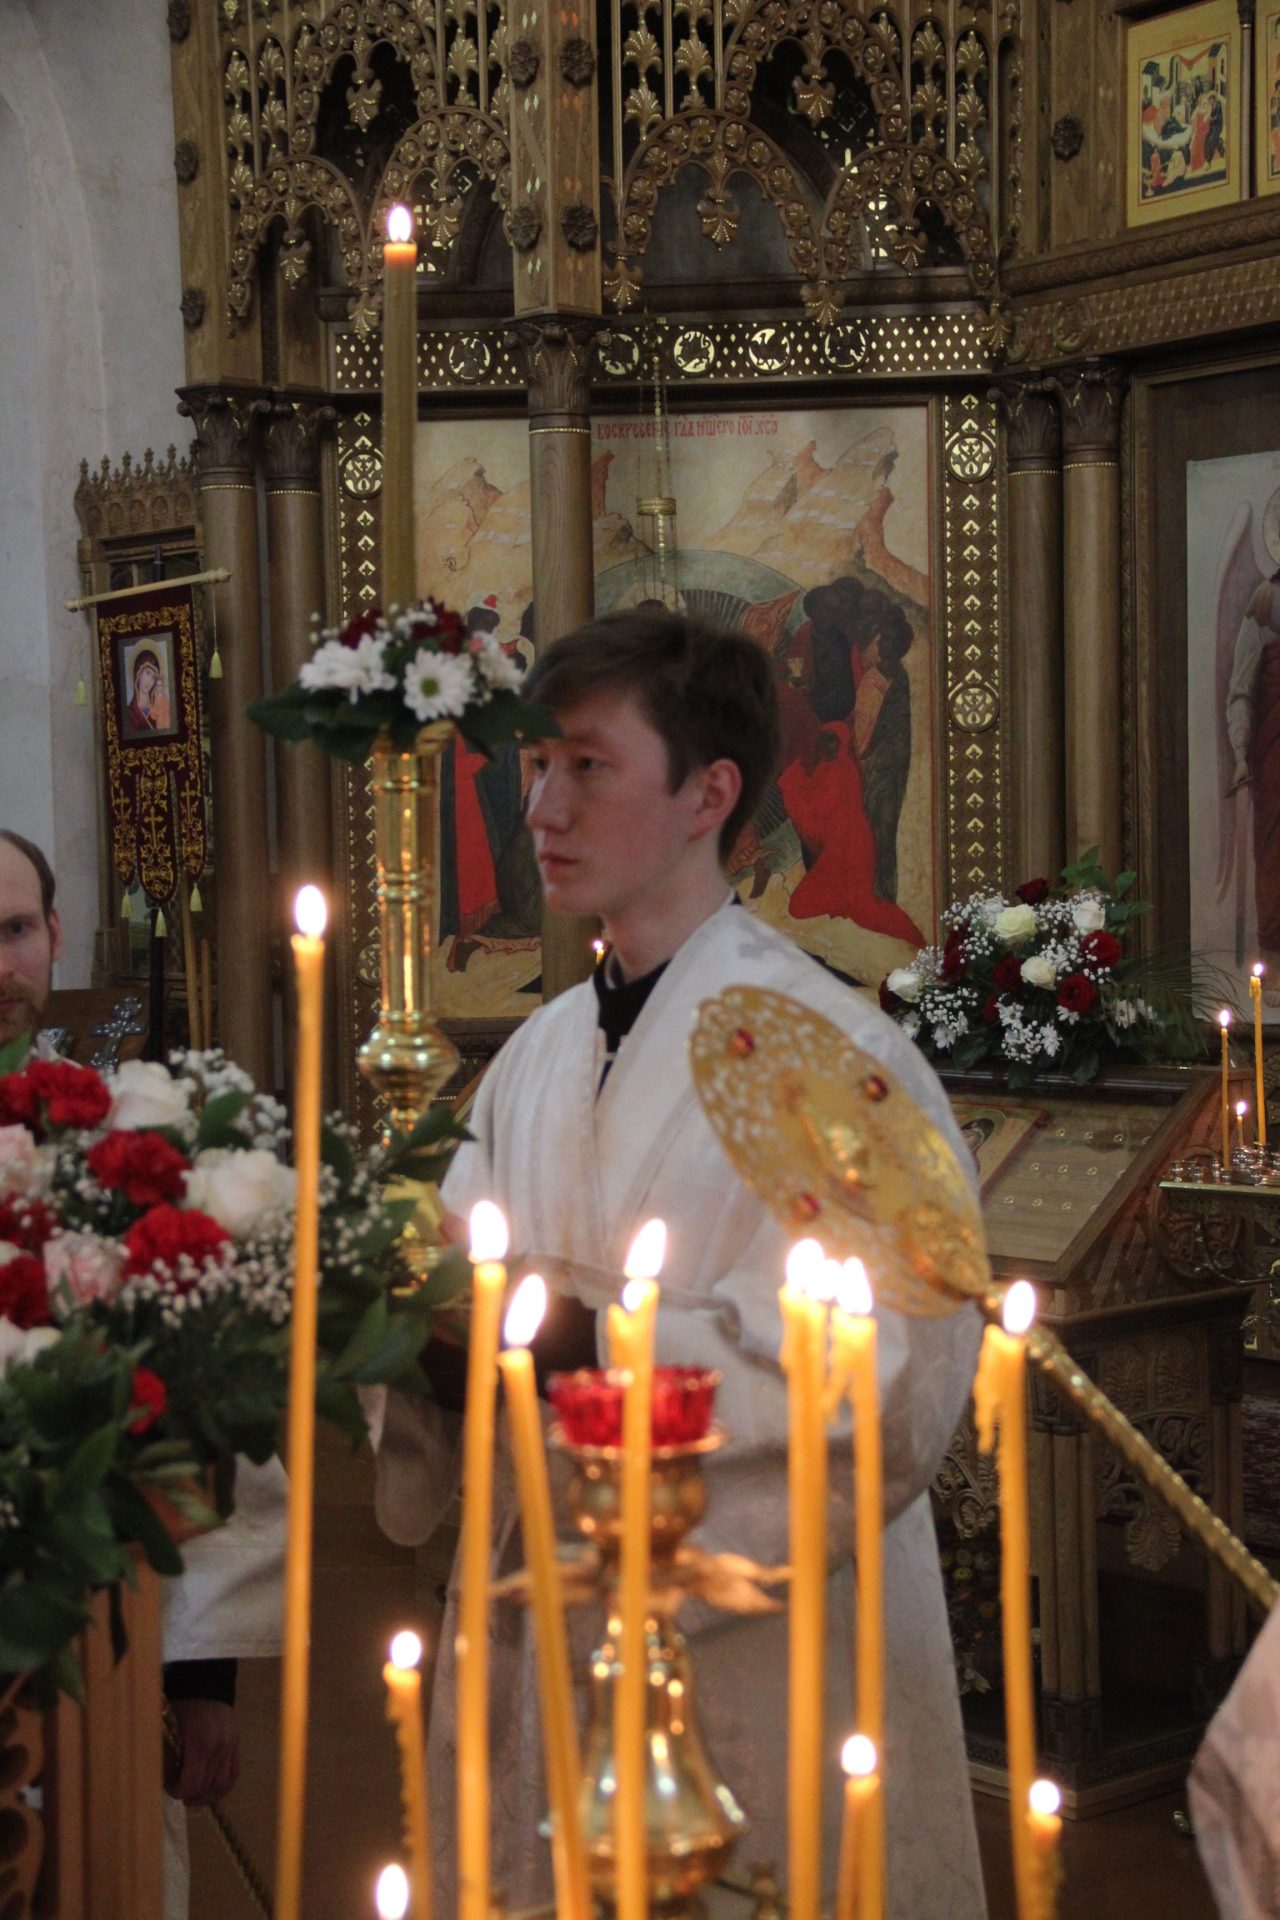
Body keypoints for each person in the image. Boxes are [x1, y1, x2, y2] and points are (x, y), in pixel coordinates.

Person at [370, 610, 986, 1920]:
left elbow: (892, 1370)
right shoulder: (537, 1051)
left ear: (710, 793)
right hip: (546, 1606)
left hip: (753, 1643)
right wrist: (400, 1335)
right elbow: (462, 1305)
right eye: (537, 765)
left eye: (587, 766)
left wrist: (586, 1348)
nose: (542, 807)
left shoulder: (829, 1056)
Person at [0, 829, 284, 1920]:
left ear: (56, 931)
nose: (1, 965)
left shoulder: (127, 1149)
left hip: (105, 1657)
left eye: (16, 931)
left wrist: (203, 1678)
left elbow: (201, 1418)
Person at [126, 648, 172, 735]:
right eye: (147, 673)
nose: (150, 681)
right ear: (139, 674)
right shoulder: (130, 712)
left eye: (153, 677)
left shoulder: (161, 705)